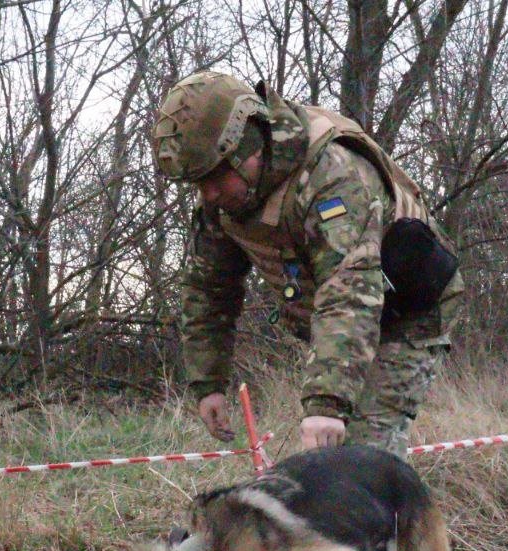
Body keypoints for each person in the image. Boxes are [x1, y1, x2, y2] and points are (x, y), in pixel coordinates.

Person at [151, 71, 465, 456]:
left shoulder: (332, 171)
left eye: (215, 177)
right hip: (348, 315)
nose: (209, 194)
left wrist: (327, 403)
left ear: (247, 146)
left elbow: (348, 287)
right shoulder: (225, 201)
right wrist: (208, 382)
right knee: (333, 460)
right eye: (198, 184)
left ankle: (395, 517)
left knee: (362, 461)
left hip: (407, 311)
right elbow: (208, 287)